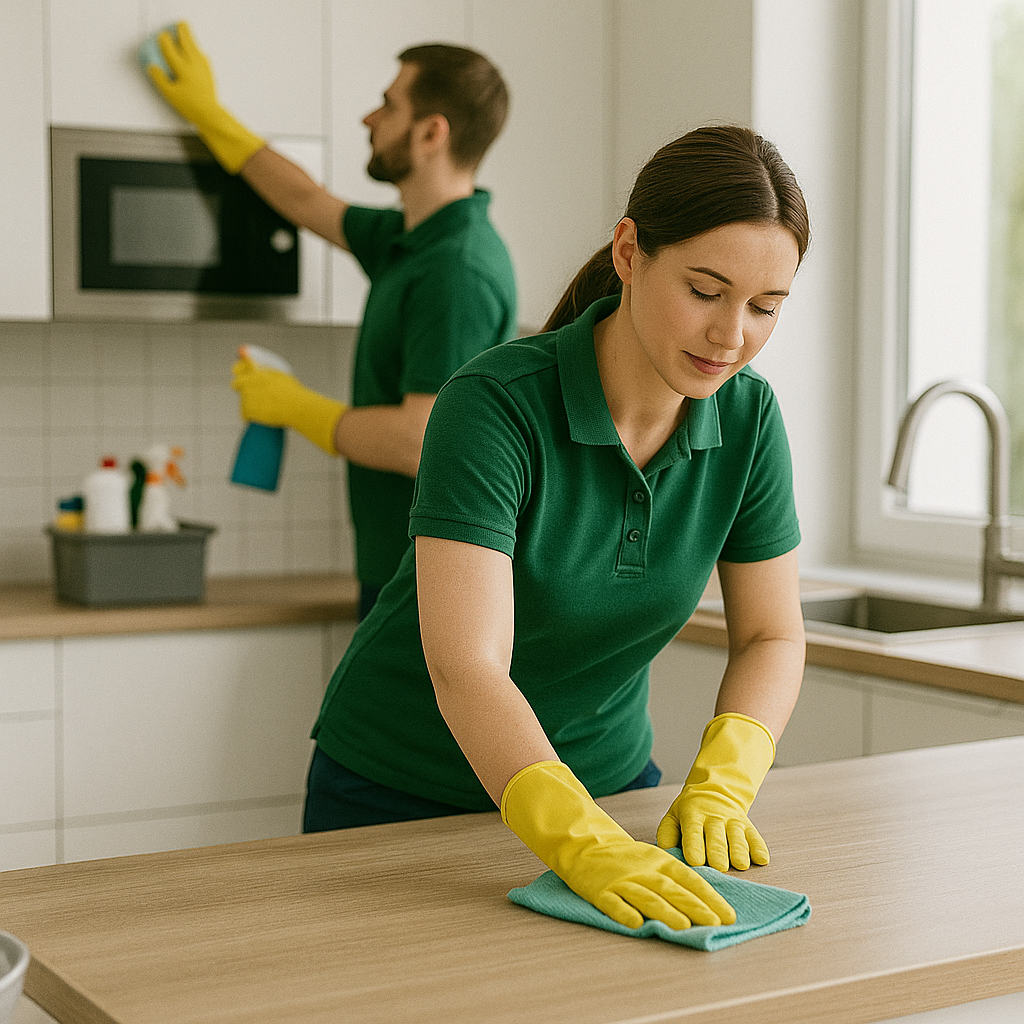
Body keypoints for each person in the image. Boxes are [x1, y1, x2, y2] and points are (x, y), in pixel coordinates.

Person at [307, 123, 809, 932]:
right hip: (398, 797)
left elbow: (771, 636)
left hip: (611, 791)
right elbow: (468, 664)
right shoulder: (496, 404)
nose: (731, 336)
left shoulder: (749, 420)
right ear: (628, 253)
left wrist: (724, 779)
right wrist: (574, 841)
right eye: (705, 291)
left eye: (765, 306)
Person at [146, 24, 517, 616]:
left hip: (426, 588)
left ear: (431, 133)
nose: (370, 118)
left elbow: (421, 441)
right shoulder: (412, 240)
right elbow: (303, 200)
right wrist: (209, 114)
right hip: (400, 571)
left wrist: (295, 406)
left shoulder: (456, 272)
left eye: (389, 104)